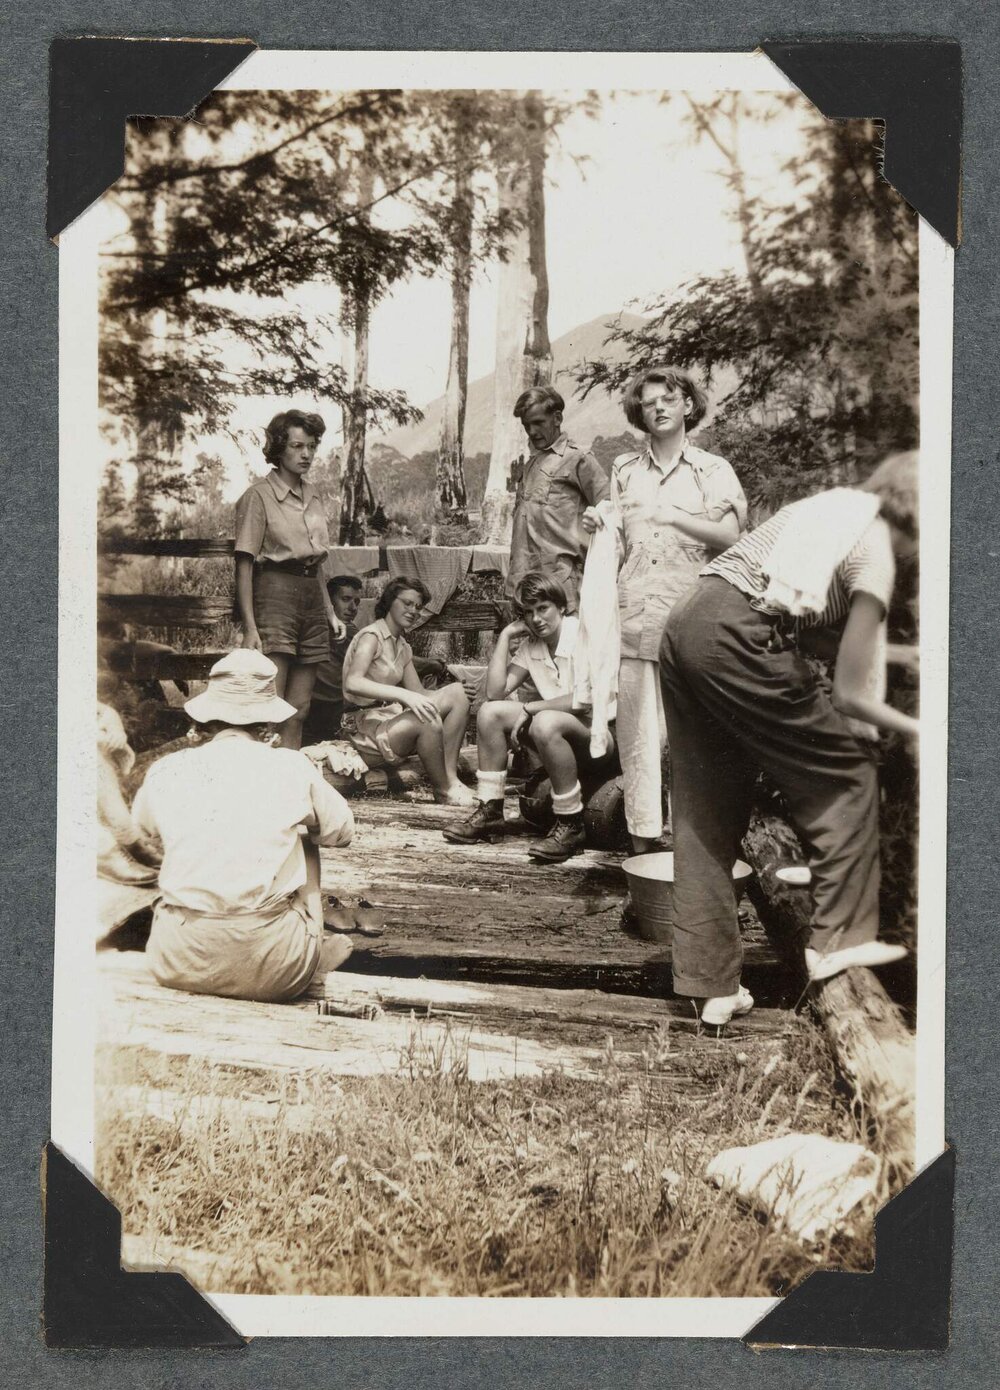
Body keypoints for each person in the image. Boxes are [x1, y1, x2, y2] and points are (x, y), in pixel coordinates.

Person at [658, 451, 920, 1026]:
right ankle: (838, 942)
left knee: (705, 809)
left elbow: (820, 636)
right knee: (848, 774)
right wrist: (924, 729)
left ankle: (711, 988)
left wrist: (907, 657)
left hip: (689, 623)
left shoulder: (832, 513)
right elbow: (850, 695)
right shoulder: (877, 552)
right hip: (735, 634)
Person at [583, 366, 747, 854]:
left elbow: (731, 535)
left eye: (668, 399)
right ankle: (642, 848)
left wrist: (675, 515)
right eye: (648, 401)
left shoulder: (712, 471)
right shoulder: (624, 471)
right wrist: (597, 522)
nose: (658, 407)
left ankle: (696, 850)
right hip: (634, 618)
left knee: (693, 742)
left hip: (690, 619)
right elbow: (616, 541)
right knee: (638, 744)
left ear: (688, 406)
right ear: (640, 412)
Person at [130, 649, 356, 1003]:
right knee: (305, 834)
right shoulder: (291, 766)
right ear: (267, 721)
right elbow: (341, 832)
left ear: (210, 716)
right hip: (272, 970)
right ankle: (311, 945)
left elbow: (140, 831)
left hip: (175, 958)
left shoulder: (167, 768)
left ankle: (230, 940)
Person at [444, 571, 615, 862]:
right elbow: (495, 693)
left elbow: (584, 700)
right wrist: (506, 636)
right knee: (490, 713)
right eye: (528, 612)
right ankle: (491, 809)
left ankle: (570, 823)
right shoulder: (531, 645)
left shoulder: (584, 635)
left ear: (561, 607)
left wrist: (531, 708)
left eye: (543, 608)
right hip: (560, 731)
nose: (536, 619)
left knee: (545, 721)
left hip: (603, 735)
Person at [234, 409, 344, 750]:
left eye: (312, 446)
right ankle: (263, 792)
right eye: (298, 446)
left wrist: (330, 612)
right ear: (279, 448)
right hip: (274, 596)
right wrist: (251, 627)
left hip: (311, 599)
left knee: (299, 709)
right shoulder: (258, 496)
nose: (307, 454)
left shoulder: (314, 495)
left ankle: (291, 785)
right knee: (271, 705)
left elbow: (317, 560)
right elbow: (244, 564)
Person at [340, 577, 474, 805]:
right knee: (427, 720)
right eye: (407, 603)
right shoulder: (371, 636)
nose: (413, 611)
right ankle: (442, 789)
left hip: (389, 723)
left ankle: (451, 779)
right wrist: (402, 695)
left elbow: (419, 692)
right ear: (390, 602)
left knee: (458, 694)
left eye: (418, 607)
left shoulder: (402, 646)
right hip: (362, 728)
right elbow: (353, 682)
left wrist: (455, 692)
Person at [507, 385, 610, 613]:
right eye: (526, 426)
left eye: (538, 422)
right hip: (524, 583)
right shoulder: (531, 463)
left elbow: (609, 514)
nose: (532, 432)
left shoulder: (579, 459)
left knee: (565, 647)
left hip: (561, 586)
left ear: (557, 418)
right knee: (525, 648)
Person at [301, 574, 363, 744]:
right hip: (325, 707)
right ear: (329, 601)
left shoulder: (317, 623)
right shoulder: (346, 630)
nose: (353, 608)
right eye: (346, 599)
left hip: (317, 707)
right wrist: (433, 664)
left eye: (357, 602)